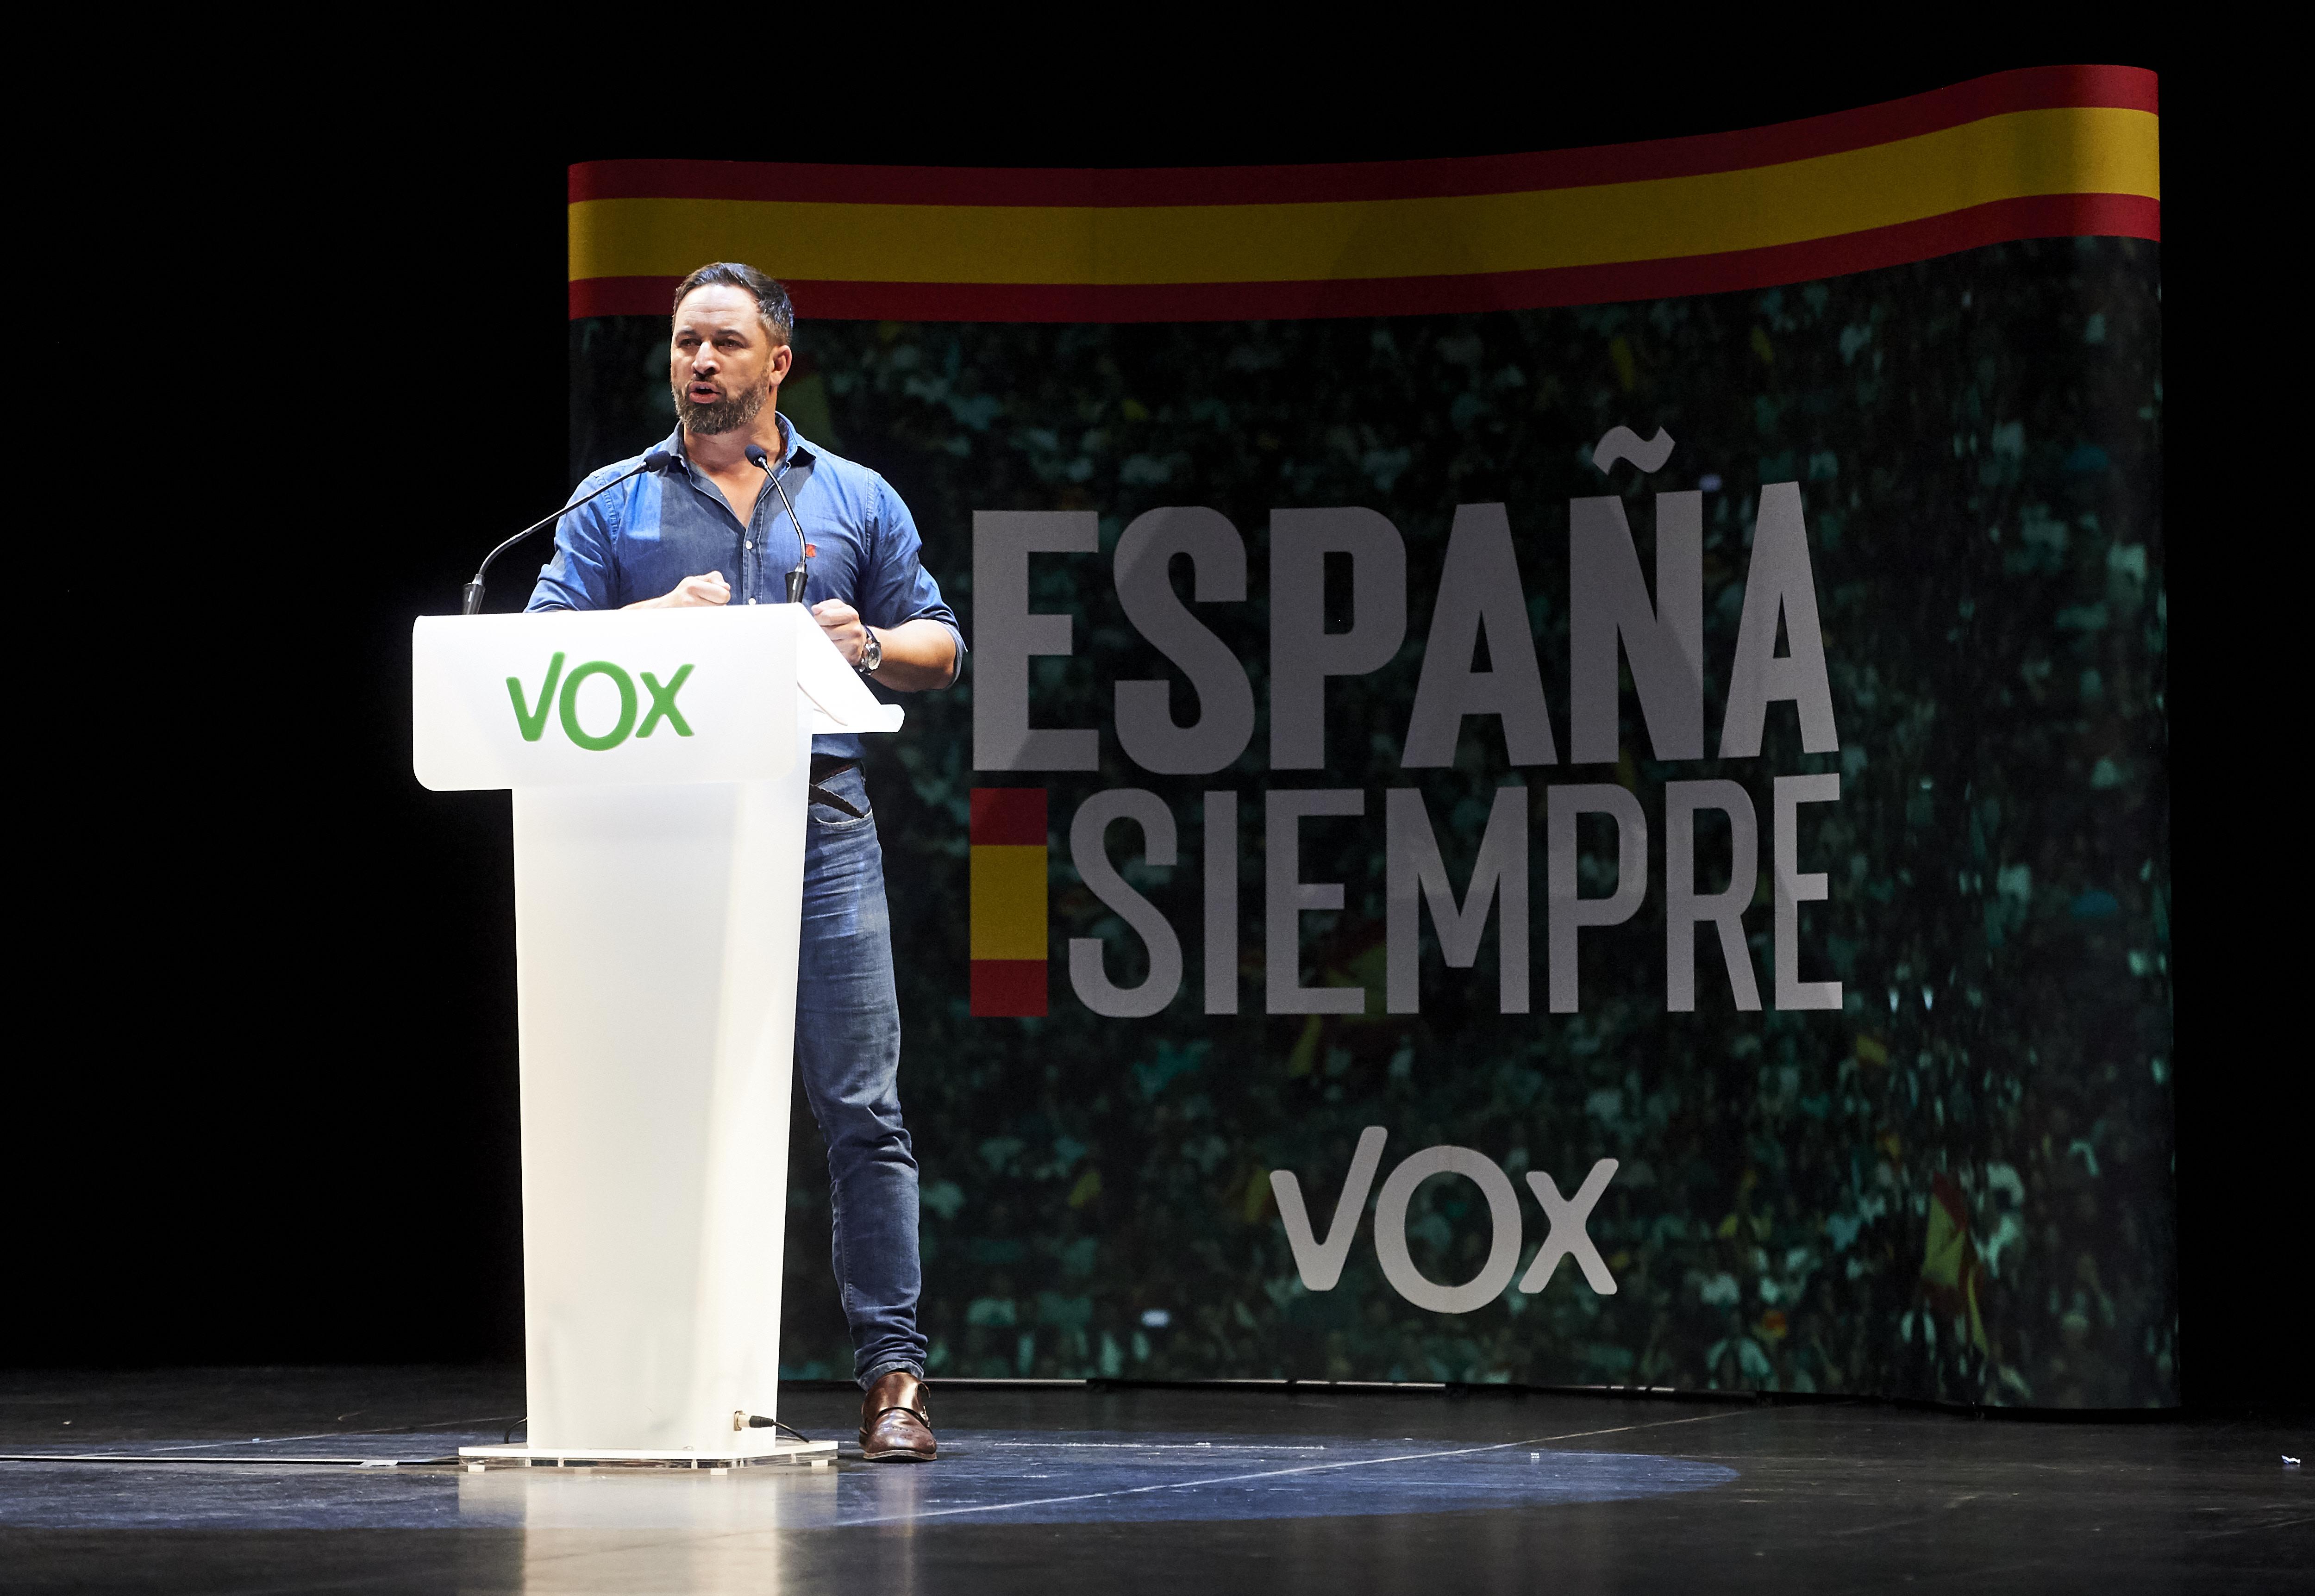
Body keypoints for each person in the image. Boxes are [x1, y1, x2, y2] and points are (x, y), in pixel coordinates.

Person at [527, 261, 960, 1462]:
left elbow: (942, 645)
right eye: (682, 345)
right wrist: (640, 631)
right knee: (657, 1110)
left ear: (778, 363)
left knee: (860, 1107)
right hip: (663, 830)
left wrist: (867, 639)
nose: (698, 364)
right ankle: (653, 1379)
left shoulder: (854, 497)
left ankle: (894, 1381)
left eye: (723, 344)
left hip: (818, 821)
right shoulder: (614, 501)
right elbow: (535, 652)